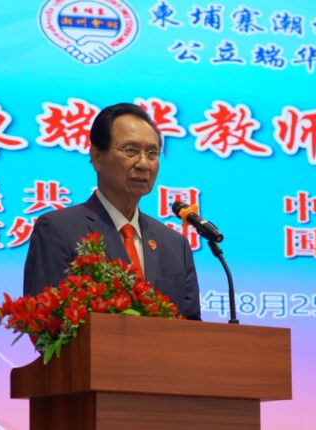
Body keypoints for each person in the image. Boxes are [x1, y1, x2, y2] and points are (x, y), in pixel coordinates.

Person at [23, 103, 201, 320]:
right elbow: (44, 320)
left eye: (152, 153)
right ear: (97, 157)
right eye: (131, 150)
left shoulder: (175, 245)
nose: (143, 164)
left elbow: (192, 328)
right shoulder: (59, 230)